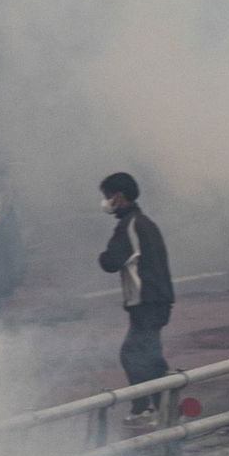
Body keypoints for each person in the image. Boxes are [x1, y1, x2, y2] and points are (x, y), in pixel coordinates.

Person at [97, 172, 175, 429]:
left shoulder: (129, 225)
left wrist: (103, 255)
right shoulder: (144, 222)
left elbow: (110, 261)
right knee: (149, 355)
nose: (106, 202)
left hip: (147, 302)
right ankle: (166, 406)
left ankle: (147, 408)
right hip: (156, 301)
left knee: (133, 355)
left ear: (119, 197)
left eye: (107, 197)